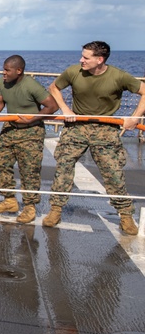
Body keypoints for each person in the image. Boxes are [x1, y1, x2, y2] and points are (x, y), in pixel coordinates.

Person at [44, 41, 145, 235]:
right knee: (63, 166)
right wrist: (65, 110)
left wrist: (135, 117)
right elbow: (53, 87)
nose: (81, 60)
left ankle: (125, 216)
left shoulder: (118, 76)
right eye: (82, 56)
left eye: (86, 57)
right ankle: (55, 210)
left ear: (100, 60)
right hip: (77, 127)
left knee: (113, 173)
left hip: (105, 129)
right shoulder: (74, 71)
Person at [0, 55, 58, 224]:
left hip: (31, 131)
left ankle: (30, 206)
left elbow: (52, 106)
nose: (3, 73)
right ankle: (9, 200)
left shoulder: (31, 85)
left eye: (7, 70)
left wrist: (32, 118)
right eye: (3, 69)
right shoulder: (2, 83)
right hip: (10, 128)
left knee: (29, 170)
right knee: (1, 163)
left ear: (18, 71)